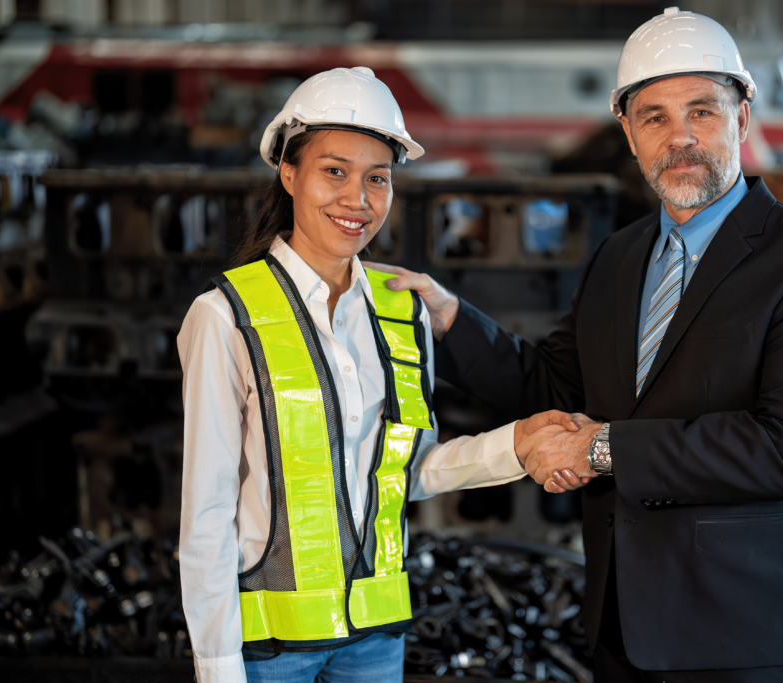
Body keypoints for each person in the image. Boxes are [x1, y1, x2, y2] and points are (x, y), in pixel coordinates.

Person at [370, 8, 783, 682]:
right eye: (654, 117)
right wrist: (450, 317)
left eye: (703, 111)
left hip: (737, 635)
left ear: (742, 119)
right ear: (629, 135)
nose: (681, 137)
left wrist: (599, 447)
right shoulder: (620, 256)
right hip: (620, 623)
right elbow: (554, 387)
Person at [176, 67, 577, 683]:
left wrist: (514, 446)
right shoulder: (225, 315)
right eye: (334, 171)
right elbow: (205, 512)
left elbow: (406, 471)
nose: (357, 199)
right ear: (289, 173)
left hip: (376, 641)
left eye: (377, 178)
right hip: (266, 652)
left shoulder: (401, 309)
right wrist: (218, 667)